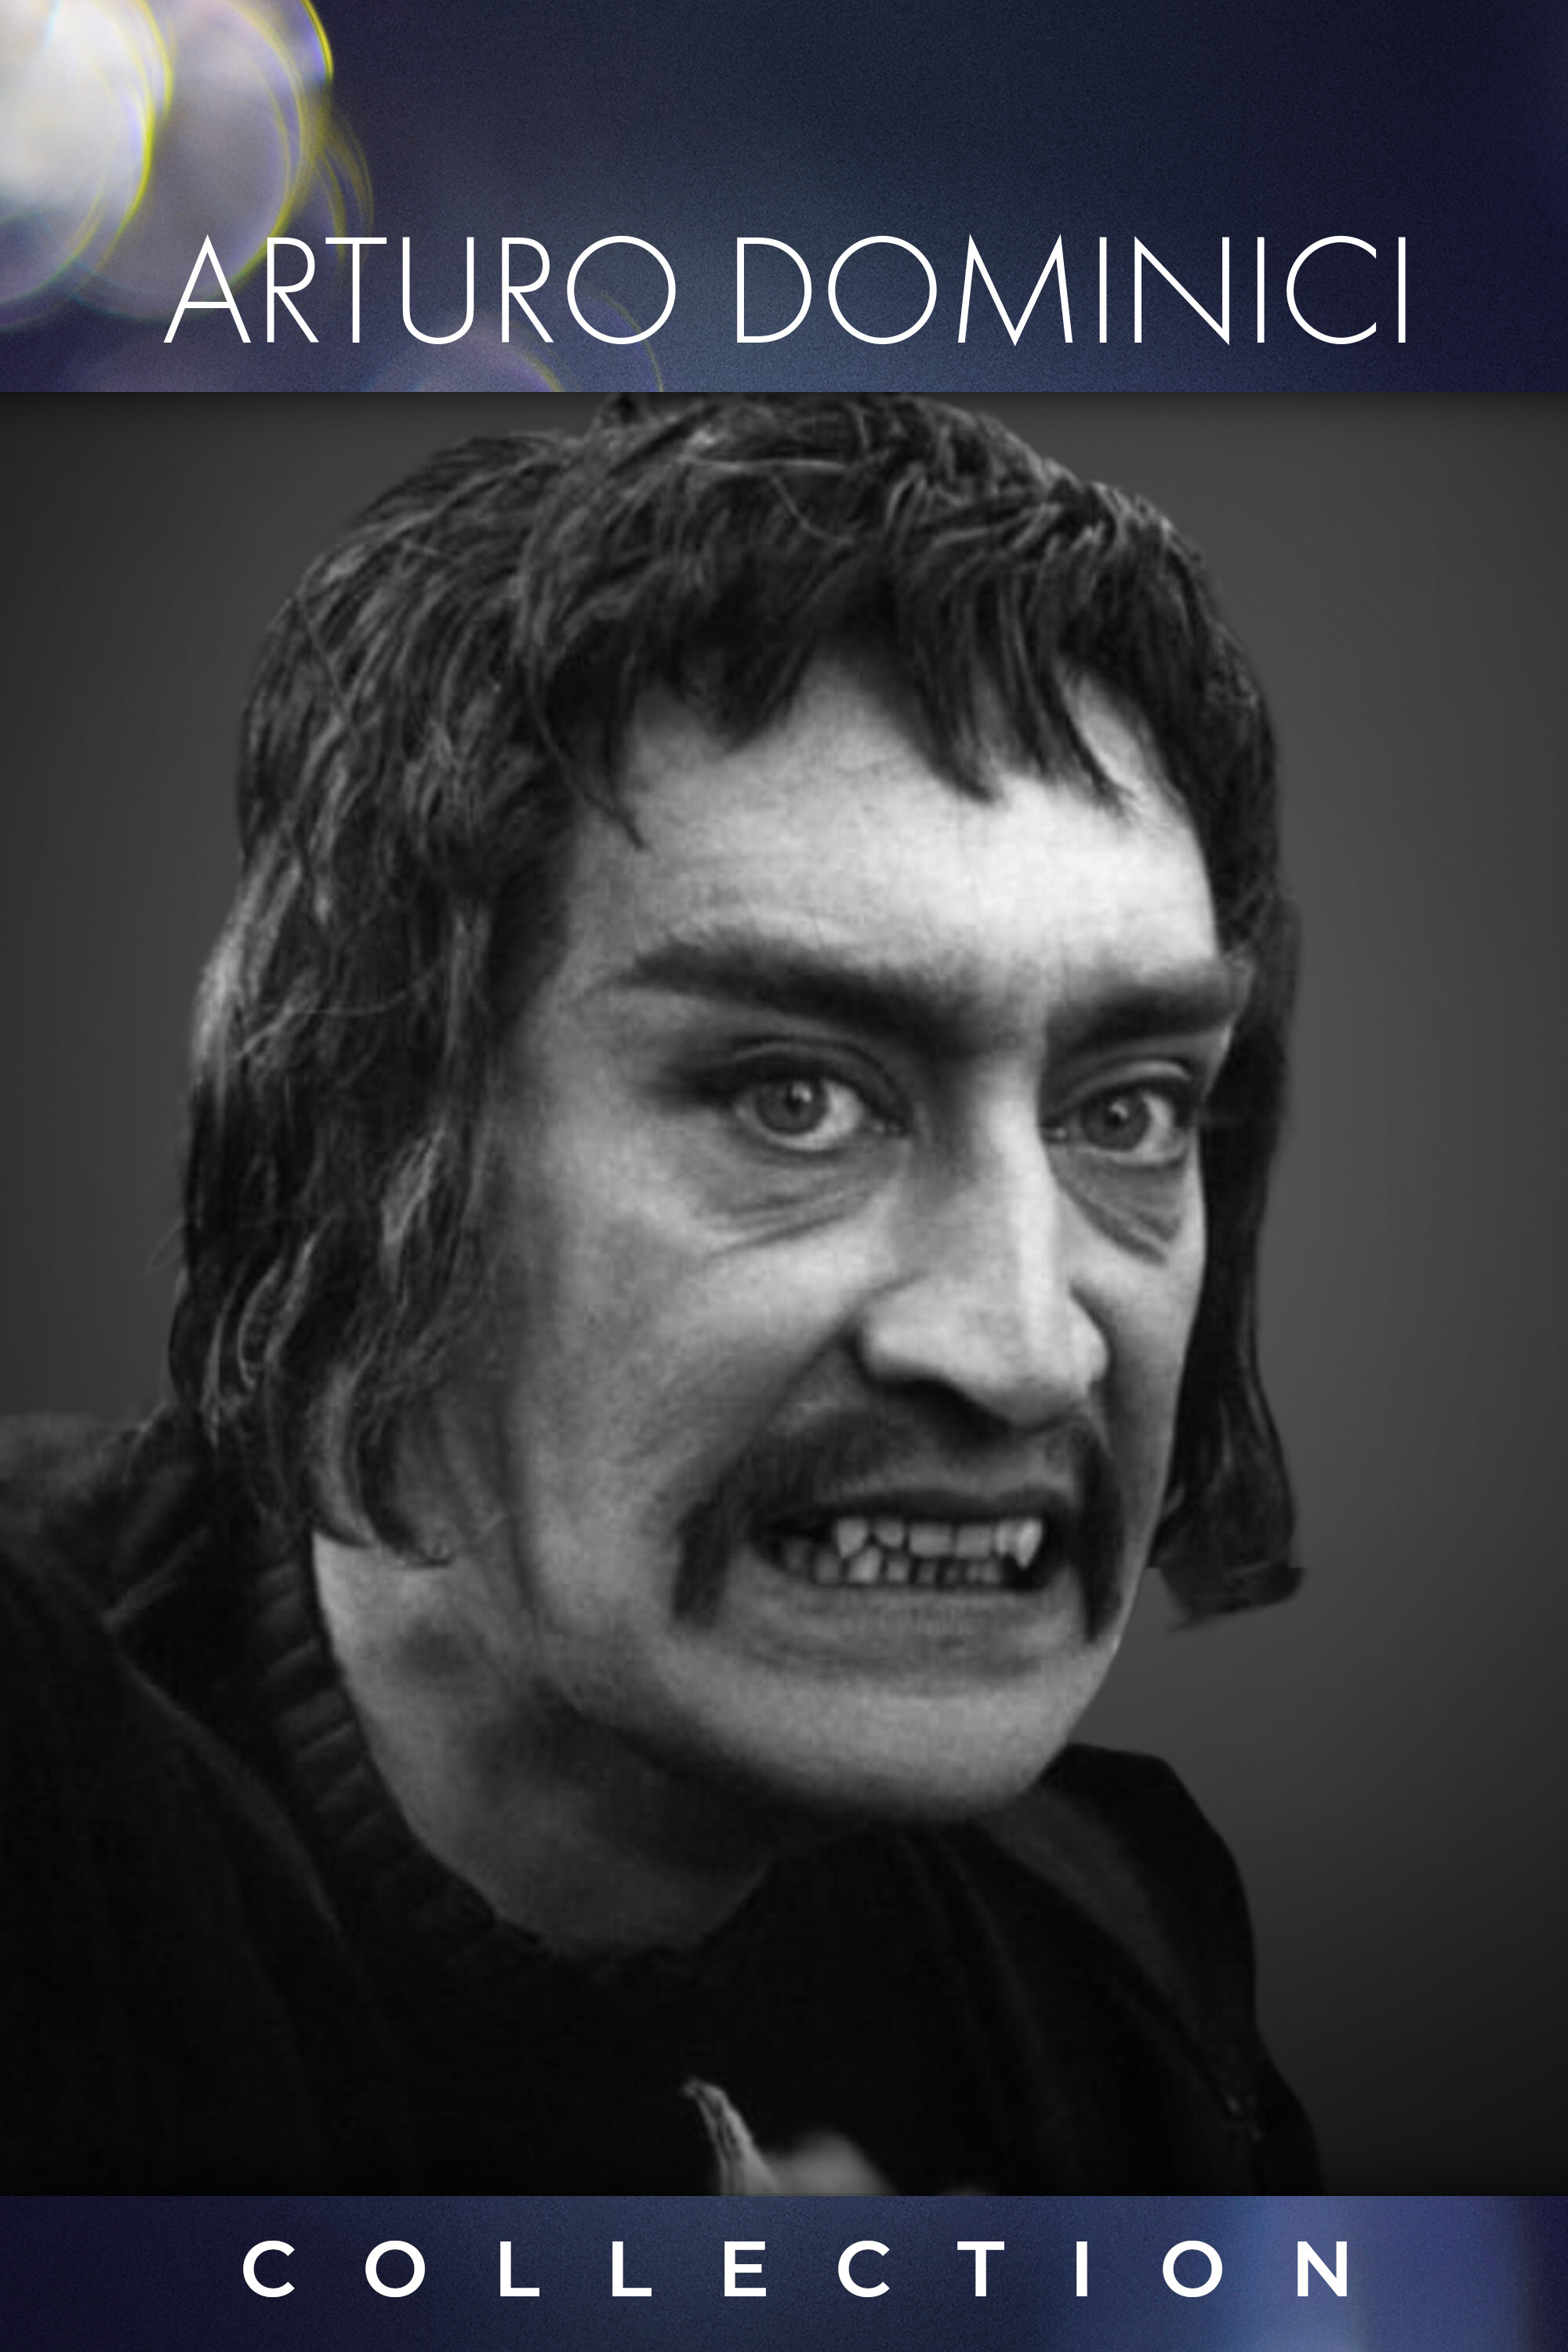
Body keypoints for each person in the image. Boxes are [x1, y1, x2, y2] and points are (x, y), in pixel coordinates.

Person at [0, 394, 1316, 2192]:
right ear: (366, 1141)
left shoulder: (1114, 1960)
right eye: (795, 1098)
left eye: (1125, 1110)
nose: (1021, 1347)